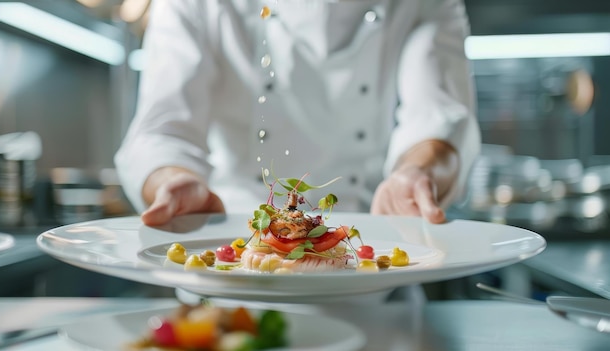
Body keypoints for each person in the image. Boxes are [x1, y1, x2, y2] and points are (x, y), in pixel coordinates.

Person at [115, 0, 481, 227]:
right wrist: (171, 181)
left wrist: (416, 175)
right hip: (229, 259)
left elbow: (438, 118)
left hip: (372, 266)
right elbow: (160, 132)